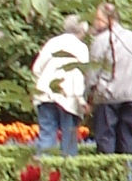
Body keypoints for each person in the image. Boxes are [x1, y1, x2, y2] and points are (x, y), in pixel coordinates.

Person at [88, 1, 132, 155]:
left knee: (106, 138)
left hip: (107, 95)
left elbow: (92, 71)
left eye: (98, 19)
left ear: (108, 20)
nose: (95, 22)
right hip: (131, 95)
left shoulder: (101, 41)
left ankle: (108, 171)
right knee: (127, 138)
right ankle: (126, 172)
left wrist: (89, 94)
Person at [31, 10, 89, 155]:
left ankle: (42, 171)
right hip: (69, 97)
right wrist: (81, 101)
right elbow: (80, 76)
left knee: (46, 136)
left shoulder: (52, 42)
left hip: (45, 94)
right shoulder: (81, 48)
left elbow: (36, 68)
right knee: (69, 140)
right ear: (81, 31)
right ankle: (67, 173)